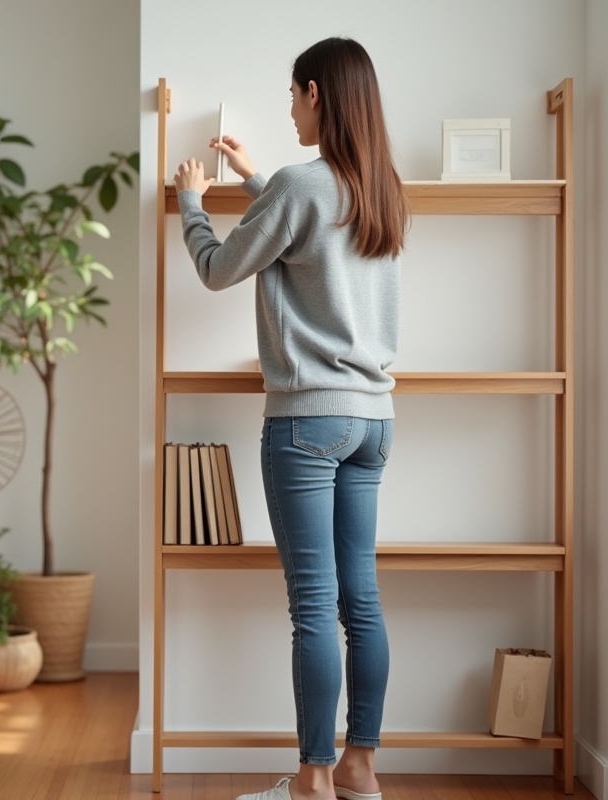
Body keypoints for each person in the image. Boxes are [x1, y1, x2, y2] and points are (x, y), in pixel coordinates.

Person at [172, 36, 409, 800]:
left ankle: (310, 779)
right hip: (373, 420)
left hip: (308, 423)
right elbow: (311, 230)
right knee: (359, 599)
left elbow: (216, 270)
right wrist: (253, 176)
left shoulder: (301, 189)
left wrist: (191, 203)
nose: (289, 107)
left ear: (314, 93)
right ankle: (360, 770)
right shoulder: (379, 190)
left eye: (292, 95)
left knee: (312, 604)